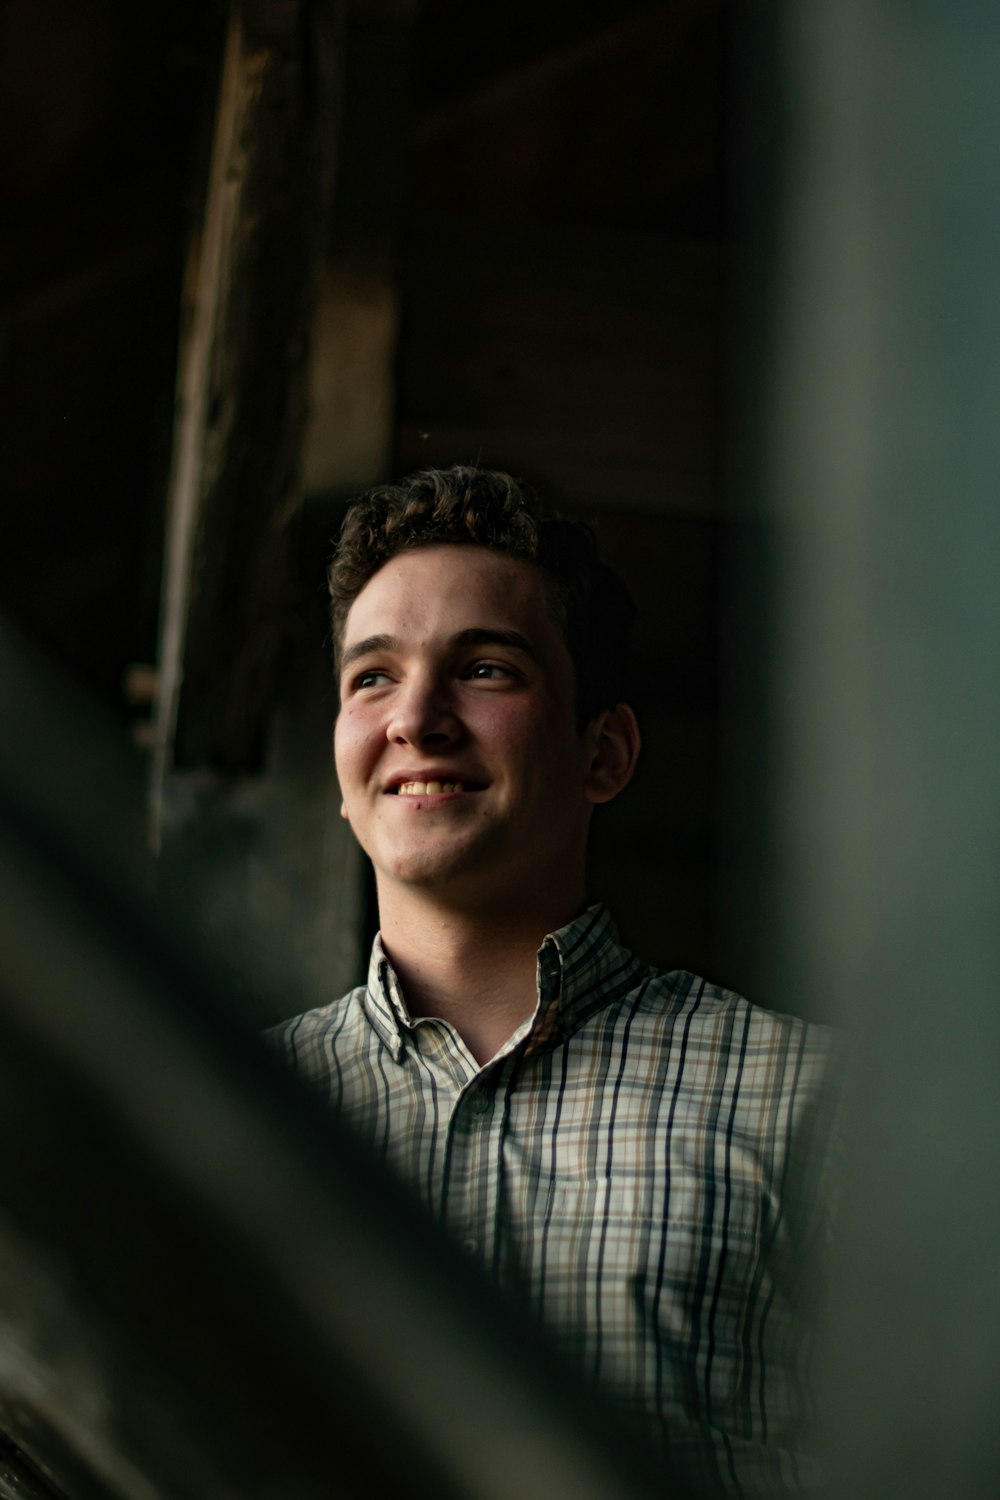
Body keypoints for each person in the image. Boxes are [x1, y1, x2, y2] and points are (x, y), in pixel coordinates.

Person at [268, 466, 834, 1496]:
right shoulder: (230, 1106)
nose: (418, 718)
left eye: (484, 669)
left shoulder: (805, 1099)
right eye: (372, 676)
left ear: (603, 754)